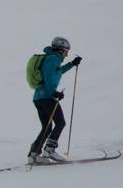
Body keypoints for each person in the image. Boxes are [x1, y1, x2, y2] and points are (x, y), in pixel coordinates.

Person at [28, 36, 83, 164]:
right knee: (60, 122)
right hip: (47, 97)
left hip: (39, 97)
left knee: (47, 127)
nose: (67, 53)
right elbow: (48, 76)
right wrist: (54, 93)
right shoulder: (53, 59)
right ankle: (49, 150)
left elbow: (58, 72)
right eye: (66, 50)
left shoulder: (53, 59)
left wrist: (72, 64)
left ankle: (33, 155)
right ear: (60, 50)